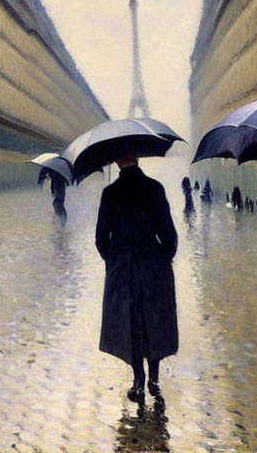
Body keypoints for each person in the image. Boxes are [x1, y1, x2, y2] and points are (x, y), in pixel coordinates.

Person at [95, 154, 178, 402]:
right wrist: (164, 258)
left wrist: (113, 261)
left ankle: (138, 381)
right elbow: (169, 234)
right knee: (154, 321)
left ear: (118, 162)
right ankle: (154, 378)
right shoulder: (154, 188)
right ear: (138, 157)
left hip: (124, 268)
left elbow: (101, 238)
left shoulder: (110, 193)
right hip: (152, 266)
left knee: (129, 322)